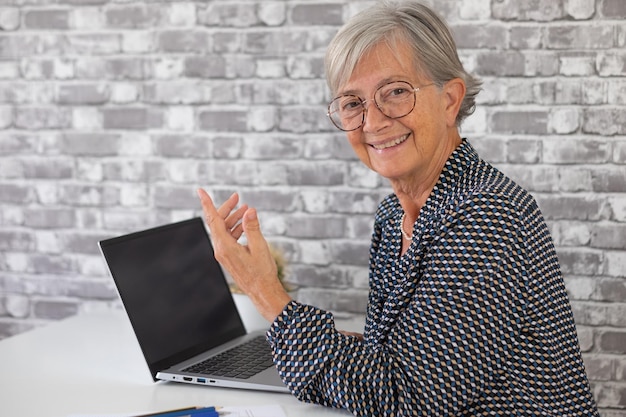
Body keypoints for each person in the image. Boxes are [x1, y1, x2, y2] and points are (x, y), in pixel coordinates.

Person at [197, 1, 600, 415]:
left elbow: (408, 399)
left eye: (395, 92)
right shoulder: (395, 217)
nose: (372, 122)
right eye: (353, 103)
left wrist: (266, 292)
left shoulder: (486, 214)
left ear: (449, 100)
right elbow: (392, 362)